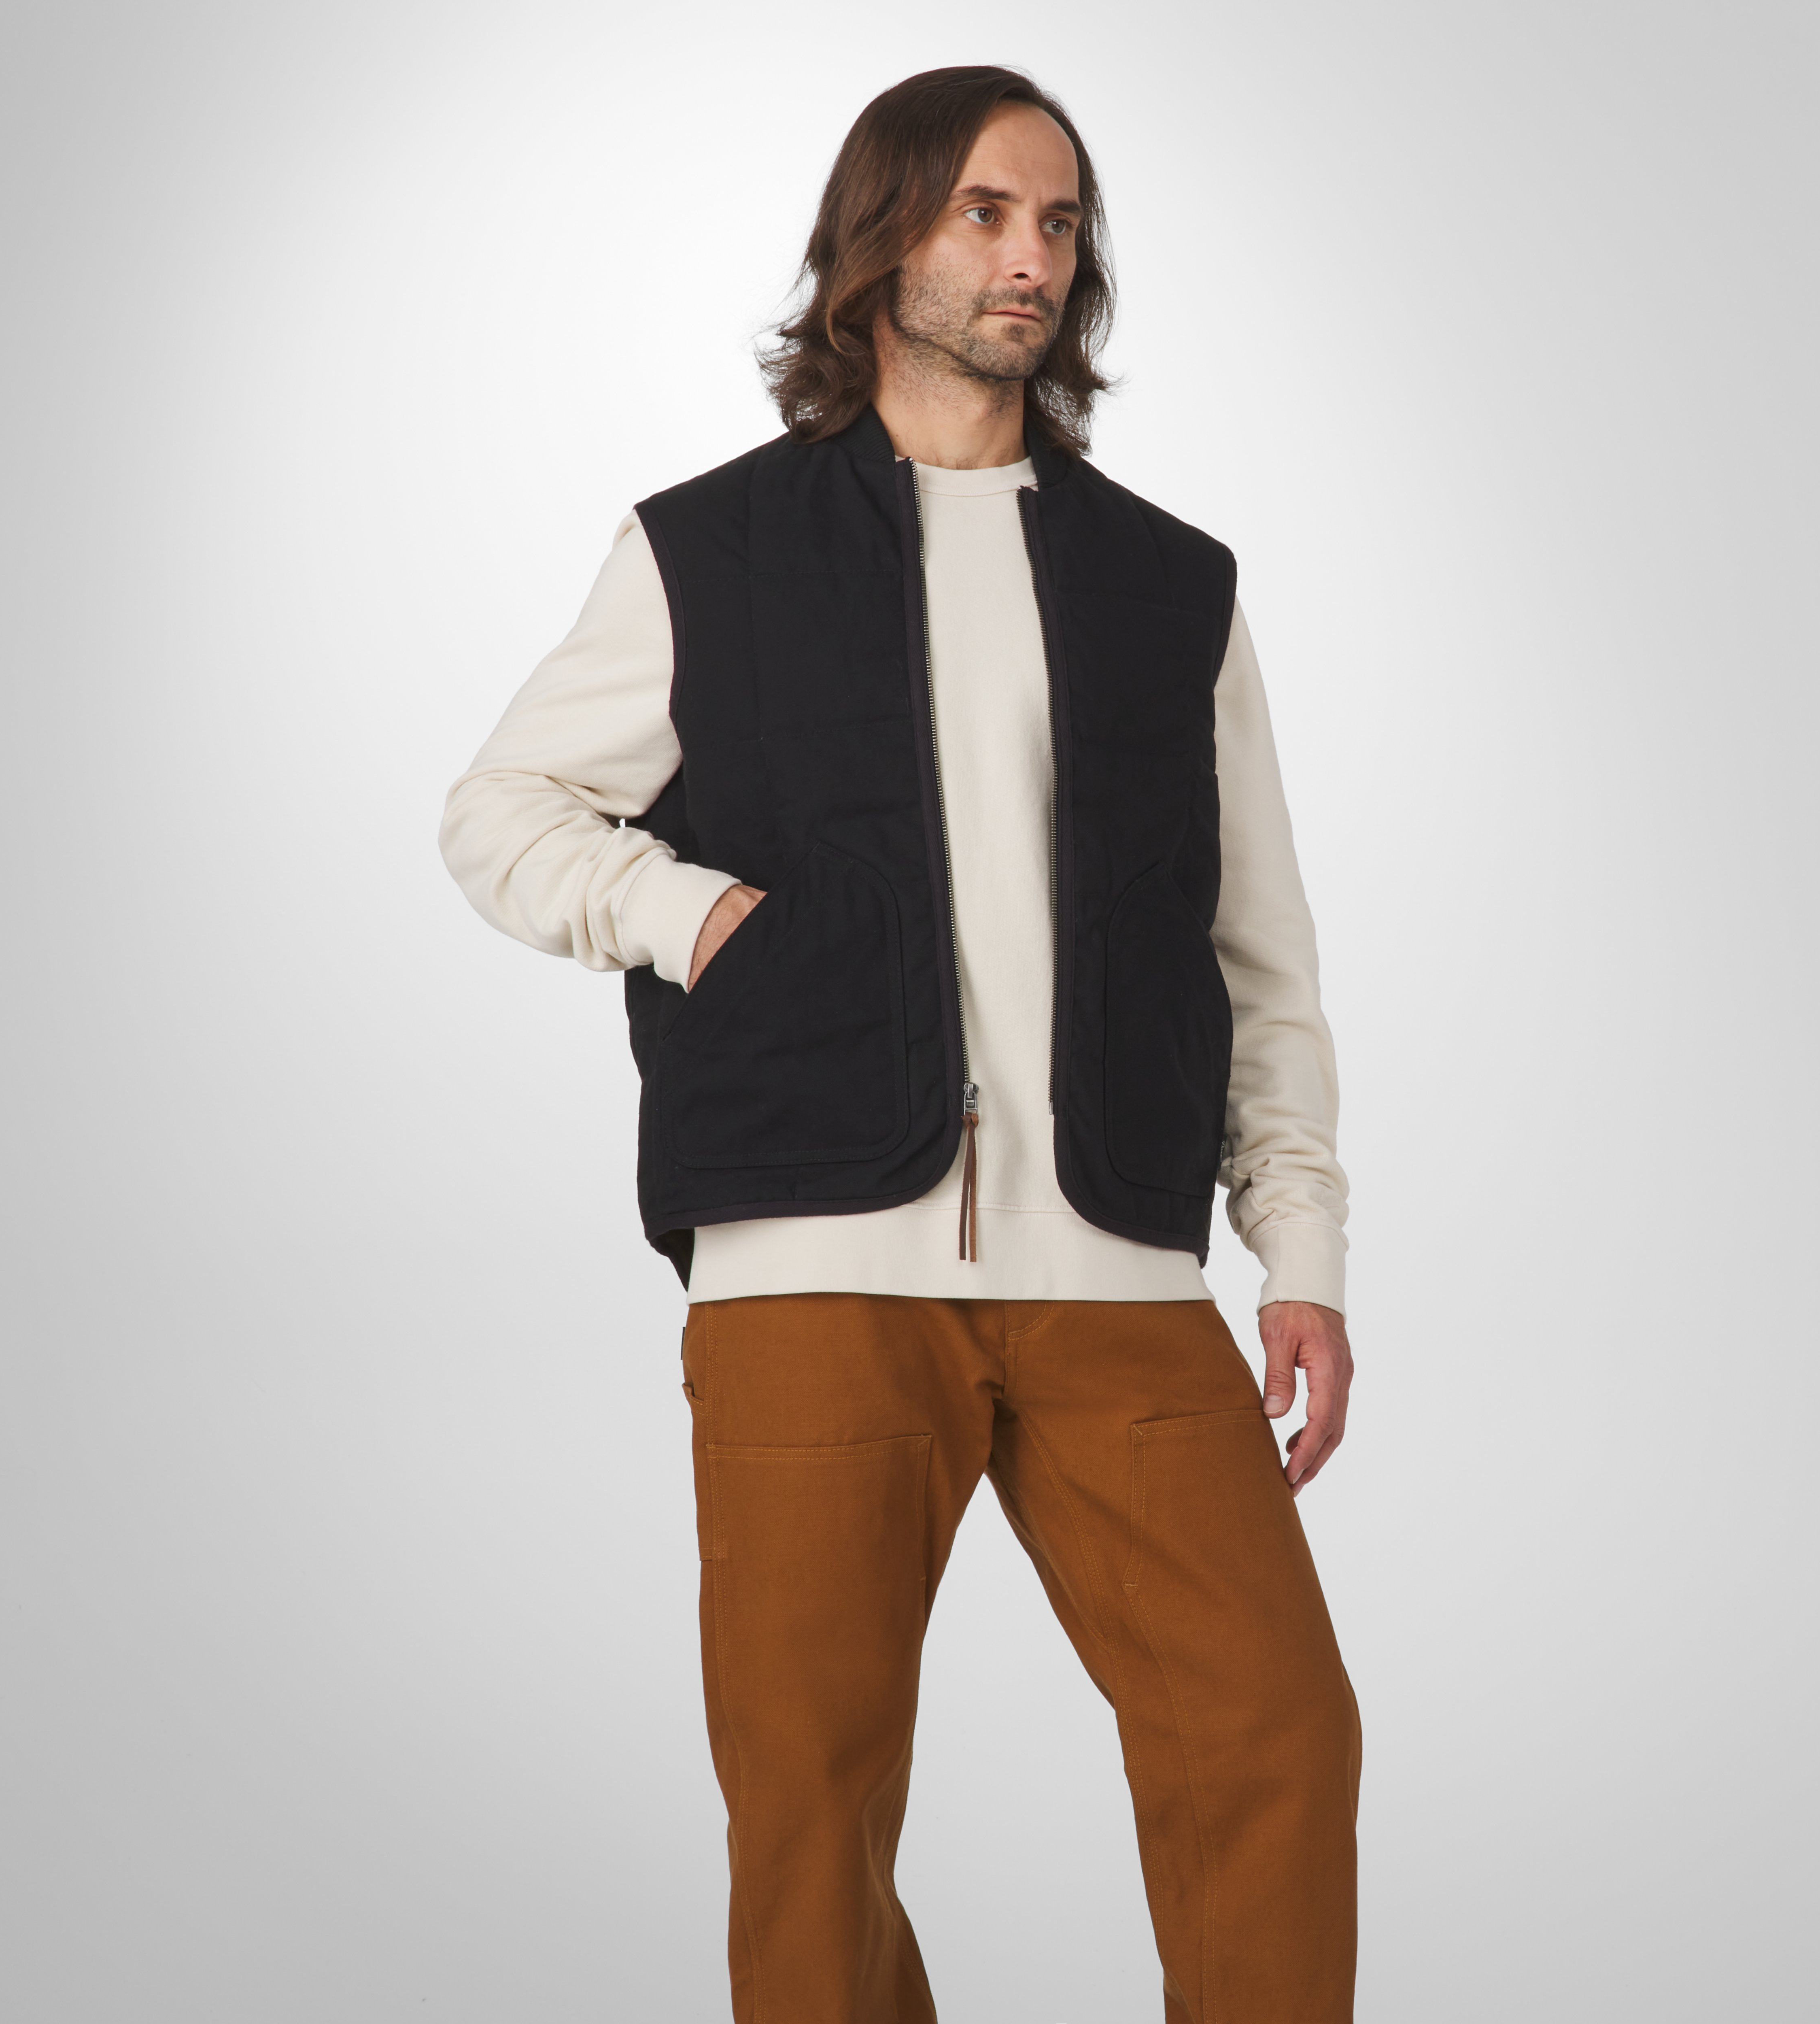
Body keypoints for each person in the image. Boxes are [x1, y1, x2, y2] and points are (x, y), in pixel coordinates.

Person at [441, 64, 1359, 2024]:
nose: (1031, 257)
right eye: (983, 214)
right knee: (810, 1798)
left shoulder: (1168, 585)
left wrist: (1298, 1249)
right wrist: (691, 912)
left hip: (1113, 1261)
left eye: (1058, 222)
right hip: (812, 1260)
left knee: (1271, 1727)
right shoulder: (710, 549)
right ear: (882, 243)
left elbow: (1255, 946)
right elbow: (503, 812)